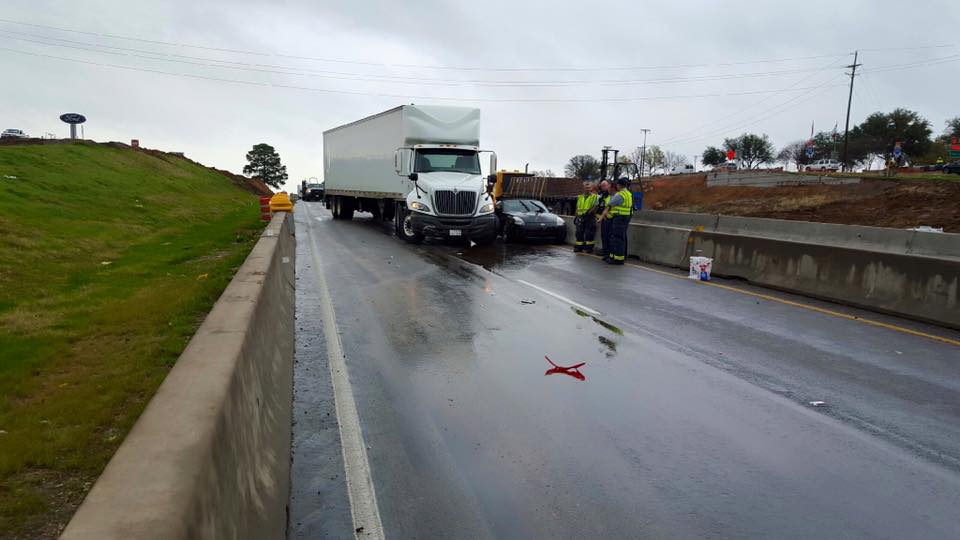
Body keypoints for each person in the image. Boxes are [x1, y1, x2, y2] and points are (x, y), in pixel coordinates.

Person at [597, 177, 633, 265]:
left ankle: (617, 259)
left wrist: (601, 217)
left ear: (619, 185)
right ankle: (615, 257)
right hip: (626, 217)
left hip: (619, 218)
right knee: (620, 238)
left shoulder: (619, 195)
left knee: (616, 238)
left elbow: (610, 204)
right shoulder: (628, 193)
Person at [573, 182, 599, 253]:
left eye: (589, 188)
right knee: (579, 233)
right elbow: (577, 207)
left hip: (590, 217)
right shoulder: (580, 197)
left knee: (589, 233)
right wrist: (576, 216)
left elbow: (595, 206)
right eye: (586, 188)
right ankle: (579, 247)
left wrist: (589, 213)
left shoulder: (595, 196)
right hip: (581, 217)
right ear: (583, 188)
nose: (588, 189)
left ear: (591, 188)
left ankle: (588, 248)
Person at [595, 180, 611, 260]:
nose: (603, 187)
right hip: (603, 219)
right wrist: (599, 217)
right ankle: (605, 253)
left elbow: (609, 207)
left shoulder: (611, 195)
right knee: (604, 236)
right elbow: (598, 208)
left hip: (610, 219)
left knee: (608, 237)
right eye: (602, 186)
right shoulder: (601, 196)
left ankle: (608, 253)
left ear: (608, 185)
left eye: (605, 185)